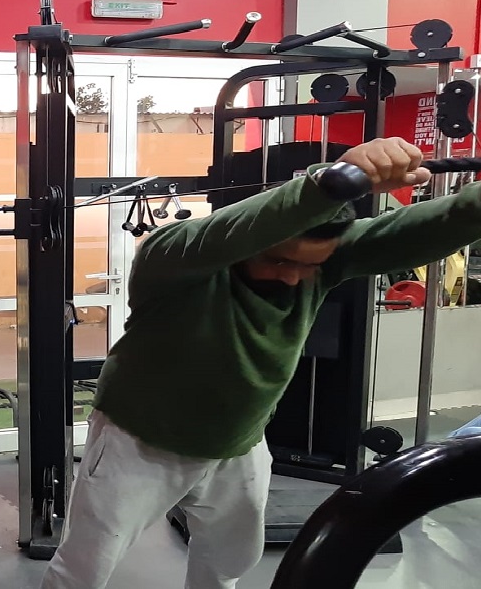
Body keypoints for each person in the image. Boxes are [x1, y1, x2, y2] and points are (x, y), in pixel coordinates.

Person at [41, 137, 481, 589]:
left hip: (239, 443)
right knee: (84, 569)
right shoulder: (175, 261)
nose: (292, 276)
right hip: (138, 442)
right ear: (249, 241)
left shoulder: (323, 263)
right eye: (278, 260)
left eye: (307, 267)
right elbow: (238, 227)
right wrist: (326, 185)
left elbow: (435, 224)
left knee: (229, 562)